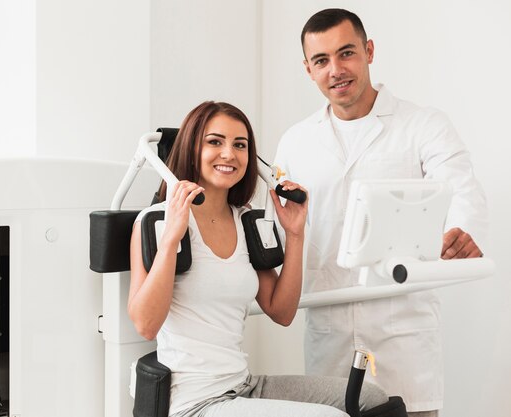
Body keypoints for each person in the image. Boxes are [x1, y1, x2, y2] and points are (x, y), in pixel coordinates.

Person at [274, 8, 488, 417]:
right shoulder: (296, 142)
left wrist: (461, 229)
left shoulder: (423, 125)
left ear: (369, 51)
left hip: (403, 336)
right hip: (328, 334)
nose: (336, 70)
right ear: (308, 69)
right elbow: (281, 231)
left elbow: (461, 189)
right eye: (321, 61)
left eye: (347, 53)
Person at [128, 101, 388, 417]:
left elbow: (281, 311)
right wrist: (171, 239)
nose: (229, 154)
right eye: (215, 142)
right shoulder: (155, 222)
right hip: (194, 403)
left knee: (373, 399)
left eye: (240, 145)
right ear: (192, 149)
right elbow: (146, 324)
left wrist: (295, 234)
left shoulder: (246, 222)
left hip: (244, 385)